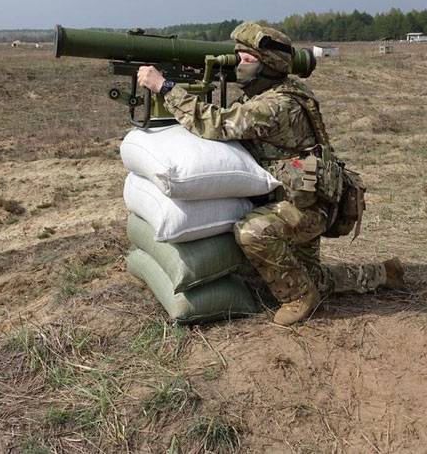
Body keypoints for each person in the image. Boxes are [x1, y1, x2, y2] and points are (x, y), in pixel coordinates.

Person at [137, 22, 404, 326]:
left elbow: (218, 124)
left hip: (306, 207)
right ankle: (383, 273)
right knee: (310, 275)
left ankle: (299, 298)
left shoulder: (277, 104)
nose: (238, 63)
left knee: (252, 232)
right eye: (236, 56)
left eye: (247, 59)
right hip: (301, 197)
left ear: (268, 66)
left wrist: (166, 88)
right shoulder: (273, 92)